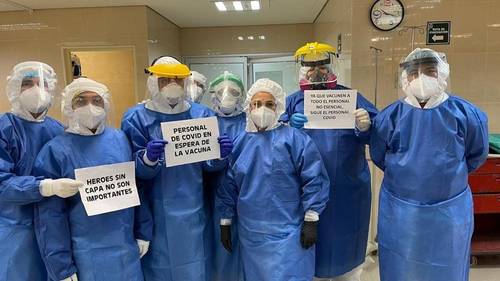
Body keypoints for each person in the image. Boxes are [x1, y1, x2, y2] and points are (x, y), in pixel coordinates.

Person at [370, 48, 489, 281]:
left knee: (449, 266)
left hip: (450, 211)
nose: (421, 77)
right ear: (406, 78)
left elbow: (476, 154)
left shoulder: (466, 114)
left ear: (442, 74)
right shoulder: (390, 117)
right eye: (414, 72)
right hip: (401, 211)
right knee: (400, 265)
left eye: (429, 71)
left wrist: (447, 179)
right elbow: (379, 155)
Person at [121, 56, 233, 281]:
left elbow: (209, 167)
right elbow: (130, 172)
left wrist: (219, 157)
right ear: (153, 82)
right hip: (154, 212)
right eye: (165, 79)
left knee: (195, 266)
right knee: (160, 268)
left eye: (177, 79)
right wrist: (148, 159)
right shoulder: (136, 118)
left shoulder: (202, 115)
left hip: (195, 209)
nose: (172, 84)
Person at [33, 77, 151, 281]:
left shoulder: (120, 139)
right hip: (85, 255)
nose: (90, 107)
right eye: (81, 101)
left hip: (126, 250)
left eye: (97, 100)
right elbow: (50, 216)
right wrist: (61, 265)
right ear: (69, 106)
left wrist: (143, 229)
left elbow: (135, 187)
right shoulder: (55, 151)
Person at [280, 42, 378, 280]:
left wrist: (366, 126)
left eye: (322, 65)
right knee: (312, 243)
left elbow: (380, 133)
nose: (316, 71)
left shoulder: (350, 97)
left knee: (346, 239)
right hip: (305, 190)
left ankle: (350, 273)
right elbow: (273, 140)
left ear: (332, 66)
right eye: (309, 66)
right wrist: (287, 127)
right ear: (301, 70)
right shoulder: (292, 102)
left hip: (348, 188)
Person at [217, 78, 330, 281]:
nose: (262, 109)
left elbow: (314, 179)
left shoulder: (295, 139)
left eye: (269, 104)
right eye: (257, 104)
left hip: (289, 232)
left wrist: (311, 218)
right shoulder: (239, 143)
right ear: (248, 107)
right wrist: (226, 221)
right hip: (251, 232)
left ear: (278, 107)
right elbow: (228, 185)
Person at [0, 61, 82, 281]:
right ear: (14, 89)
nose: (37, 90)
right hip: (17, 231)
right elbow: (1, 184)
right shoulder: (5, 129)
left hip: (56, 231)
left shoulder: (59, 130)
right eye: (28, 84)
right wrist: (46, 186)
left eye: (43, 84)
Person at [207, 71, 246, 281]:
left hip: (247, 196)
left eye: (233, 91)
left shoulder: (250, 121)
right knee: (221, 251)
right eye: (221, 91)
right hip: (213, 198)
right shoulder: (204, 121)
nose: (227, 96)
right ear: (213, 93)